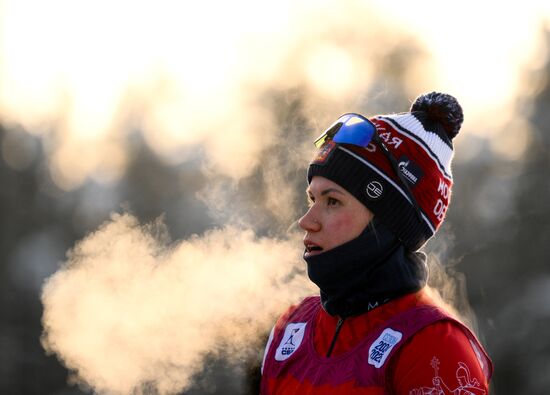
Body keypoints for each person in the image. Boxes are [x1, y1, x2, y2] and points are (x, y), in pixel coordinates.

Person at [260, 92, 493, 394]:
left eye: (332, 201)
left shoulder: (434, 346)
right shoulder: (291, 330)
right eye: (312, 198)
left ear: (386, 223)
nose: (306, 221)